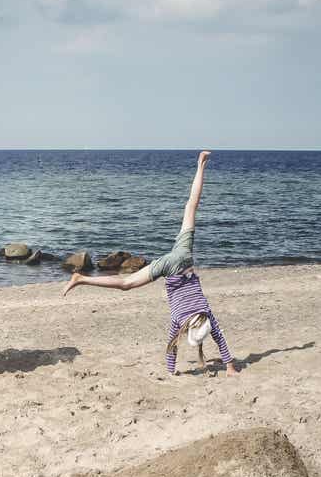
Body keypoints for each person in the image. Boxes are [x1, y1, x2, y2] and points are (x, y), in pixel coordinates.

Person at [62, 150, 237, 376]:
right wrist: (172, 371)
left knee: (191, 206)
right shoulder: (179, 319)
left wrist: (230, 365)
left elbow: (217, 337)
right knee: (126, 284)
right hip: (169, 267)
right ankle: (82, 278)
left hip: (184, 257)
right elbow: (172, 346)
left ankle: (201, 164)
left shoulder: (205, 312)